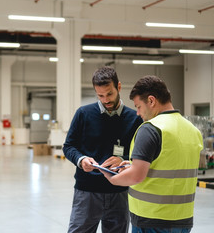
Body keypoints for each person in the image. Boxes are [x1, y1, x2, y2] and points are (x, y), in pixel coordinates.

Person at [100, 75, 203, 233]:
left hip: (152, 219)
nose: (137, 113)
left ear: (151, 100)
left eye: (139, 106)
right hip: (183, 219)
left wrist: (112, 178)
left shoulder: (151, 129)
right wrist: (133, 165)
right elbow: (169, 165)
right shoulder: (192, 130)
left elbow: (136, 176)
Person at [63, 66, 143, 233]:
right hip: (87, 192)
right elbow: (69, 146)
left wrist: (123, 159)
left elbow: (140, 154)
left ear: (119, 87)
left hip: (119, 192)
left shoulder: (134, 119)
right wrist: (81, 159)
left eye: (109, 94)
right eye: (100, 95)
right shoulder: (83, 114)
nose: (105, 100)